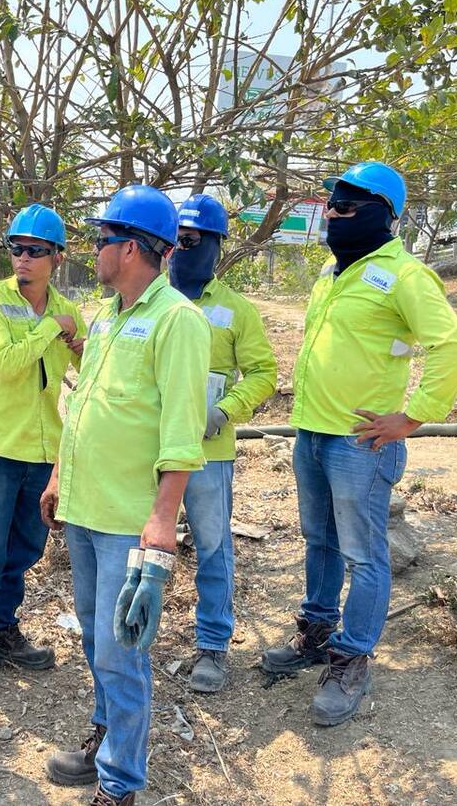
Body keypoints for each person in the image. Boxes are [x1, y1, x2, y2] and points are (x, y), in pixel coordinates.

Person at [260, 161, 457, 726]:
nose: (333, 212)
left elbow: (452, 348)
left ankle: (352, 658)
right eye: (331, 203)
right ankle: (316, 633)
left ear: (384, 214)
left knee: (363, 554)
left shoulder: (404, 275)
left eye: (347, 206)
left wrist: (414, 417)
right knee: (318, 541)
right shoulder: (331, 274)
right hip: (310, 433)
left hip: (360, 445)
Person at [41, 185, 211, 806]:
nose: (94, 250)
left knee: (121, 651)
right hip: (86, 508)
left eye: (102, 239)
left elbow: (181, 431)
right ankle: (107, 733)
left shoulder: (178, 322)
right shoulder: (110, 314)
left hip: (129, 520)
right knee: (94, 637)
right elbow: (84, 400)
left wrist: (163, 518)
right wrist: (60, 476)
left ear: (134, 249)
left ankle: (120, 784)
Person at [0, 203, 87, 688]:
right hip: (0, 448)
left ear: (57, 258)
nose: (23, 258)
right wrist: (52, 330)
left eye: (35, 251)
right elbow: (5, 365)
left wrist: (81, 346)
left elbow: (91, 372)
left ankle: (3, 633)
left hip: (44, 451)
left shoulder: (70, 311)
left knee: (26, 547)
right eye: (17, 249)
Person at [167, 193, 277, 693]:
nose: (180, 249)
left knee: (212, 547)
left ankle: (212, 645)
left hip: (208, 454)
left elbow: (263, 373)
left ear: (215, 246)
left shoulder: (235, 311)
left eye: (190, 241)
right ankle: (133, 636)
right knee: (134, 542)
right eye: (174, 240)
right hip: (146, 450)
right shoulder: (142, 301)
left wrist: (225, 410)